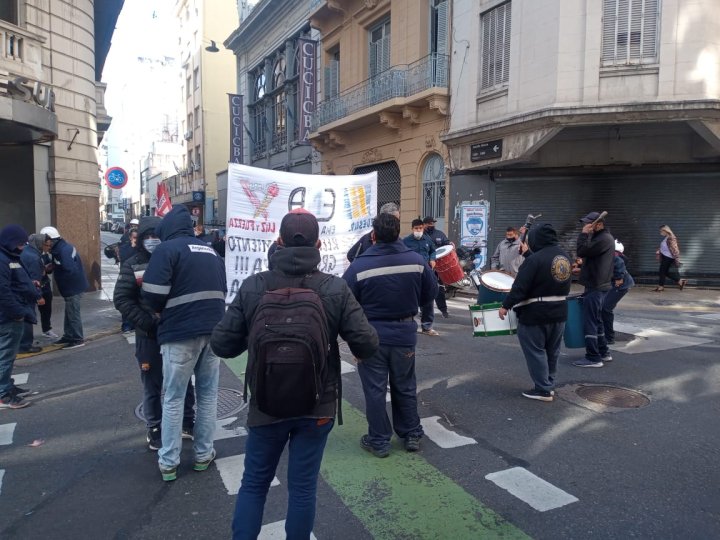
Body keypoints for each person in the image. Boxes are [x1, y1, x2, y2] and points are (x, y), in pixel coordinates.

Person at [211, 209, 378, 539]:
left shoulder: (253, 286)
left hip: (265, 403)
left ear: (278, 242)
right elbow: (368, 343)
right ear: (319, 244)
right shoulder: (334, 288)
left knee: (255, 484)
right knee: (302, 489)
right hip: (317, 404)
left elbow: (222, 345)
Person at [141, 206, 226, 482]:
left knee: (174, 397)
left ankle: (169, 462)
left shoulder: (167, 250)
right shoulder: (210, 250)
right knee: (208, 395)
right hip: (213, 332)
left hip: (179, 334)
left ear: (167, 229)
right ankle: (203, 454)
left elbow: (153, 295)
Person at [343, 212, 437, 457]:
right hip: (404, 334)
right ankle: (411, 434)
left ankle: (379, 441)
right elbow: (430, 293)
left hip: (370, 336)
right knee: (405, 386)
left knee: (374, 390)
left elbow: (345, 303)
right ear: (398, 232)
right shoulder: (416, 260)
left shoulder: (359, 265)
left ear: (373, 235)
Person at [113, 217, 196, 451]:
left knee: (184, 379)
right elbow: (122, 299)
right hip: (148, 336)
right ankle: (155, 427)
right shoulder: (132, 264)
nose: (152, 241)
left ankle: (187, 421)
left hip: (176, 332)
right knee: (152, 384)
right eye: (147, 237)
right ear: (140, 240)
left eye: (156, 236)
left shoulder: (174, 259)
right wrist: (146, 321)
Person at [498, 224, 572, 401]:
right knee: (552, 351)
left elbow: (520, 287)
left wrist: (505, 305)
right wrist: (528, 255)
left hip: (536, 313)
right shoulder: (564, 256)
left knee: (536, 351)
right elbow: (545, 268)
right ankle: (549, 383)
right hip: (560, 311)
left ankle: (542, 389)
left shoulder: (534, 260)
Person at [1, 224, 41, 409]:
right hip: (8, 317)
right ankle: (3, 394)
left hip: (13, 314)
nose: (23, 246)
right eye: (20, 243)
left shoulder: (9, 256)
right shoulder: (3, 259)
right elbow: (3, 292)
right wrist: (18, 313)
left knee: (8, 354)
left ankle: (7, 386)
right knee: (6, 355)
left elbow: (16, 281)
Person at [572, 212, 614, 368]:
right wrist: (582, 270)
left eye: (588, 223)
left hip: (596, 286)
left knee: (590, 321)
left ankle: (593, 357)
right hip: (597, 284)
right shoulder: (602, 239)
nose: (585, 226)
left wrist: (583, 234)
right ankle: (603, 352)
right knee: (597, 320)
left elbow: (582, 251)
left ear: (599, 224)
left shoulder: (603, 239)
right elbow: (596, 262)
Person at [40, 226, 88, 349]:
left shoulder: (62, 250)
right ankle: (68, 336)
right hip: (71, 287)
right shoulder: (60, 248)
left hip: (73, 287)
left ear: (51, 239)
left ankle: (77, 338)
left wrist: (56, 267)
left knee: (73, 314)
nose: (45, 244)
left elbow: (69, 268)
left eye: (45, 241)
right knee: (69, 313)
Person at [403, 218, 439, 335]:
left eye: (420, 228)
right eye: (416, 228)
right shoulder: (406, 241)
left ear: (423, 228)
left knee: (428, 299)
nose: (418, 230)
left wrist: (433, 259)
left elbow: (433, 251)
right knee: (409, 299)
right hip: (412, 275)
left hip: (426, 273)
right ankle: (407, 325)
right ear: (412, 229)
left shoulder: (427, 239)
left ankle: (427, 326)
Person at [18, 233, 52, 353]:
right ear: (39, 244)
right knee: (28, 317)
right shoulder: (34, 257)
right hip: (26, 292)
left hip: (20, 290)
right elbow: (34, 281)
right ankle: (25, 345)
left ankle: (21, 343)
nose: (48, 247)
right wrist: (38, 296)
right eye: (46, 244)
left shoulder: (27, 251)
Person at [602, 240, 635, 346]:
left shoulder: (613, 255)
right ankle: (604, 333)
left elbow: (619, 263)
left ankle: (609, 337)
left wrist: (619, 278)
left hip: (621, 285)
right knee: (602, 307)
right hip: (612, 284)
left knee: (606, 308)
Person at [423, 216, 451, 318]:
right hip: (426, 266)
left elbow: (447, 244)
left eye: (433, 223)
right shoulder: (421, 235)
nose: (432, 225)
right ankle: (424, 310)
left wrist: (450, 243)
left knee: (440, 289)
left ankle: (443, 310)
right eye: (429, 224)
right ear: (424, 224)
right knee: (425, 289)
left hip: (439, 267)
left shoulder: (439, 234)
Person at [654, 225, 687, 292]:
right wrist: (659, 250)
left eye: (661, 231)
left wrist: (676, 258)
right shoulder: (667, 237)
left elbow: (675, 249)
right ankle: (680, 281)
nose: (660, 232)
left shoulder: (671, 238)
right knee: (664, 272)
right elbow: (666, 247)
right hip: (665, 257)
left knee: (662, 272)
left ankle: (661, 287)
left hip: (668, 257)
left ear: (665, 231)